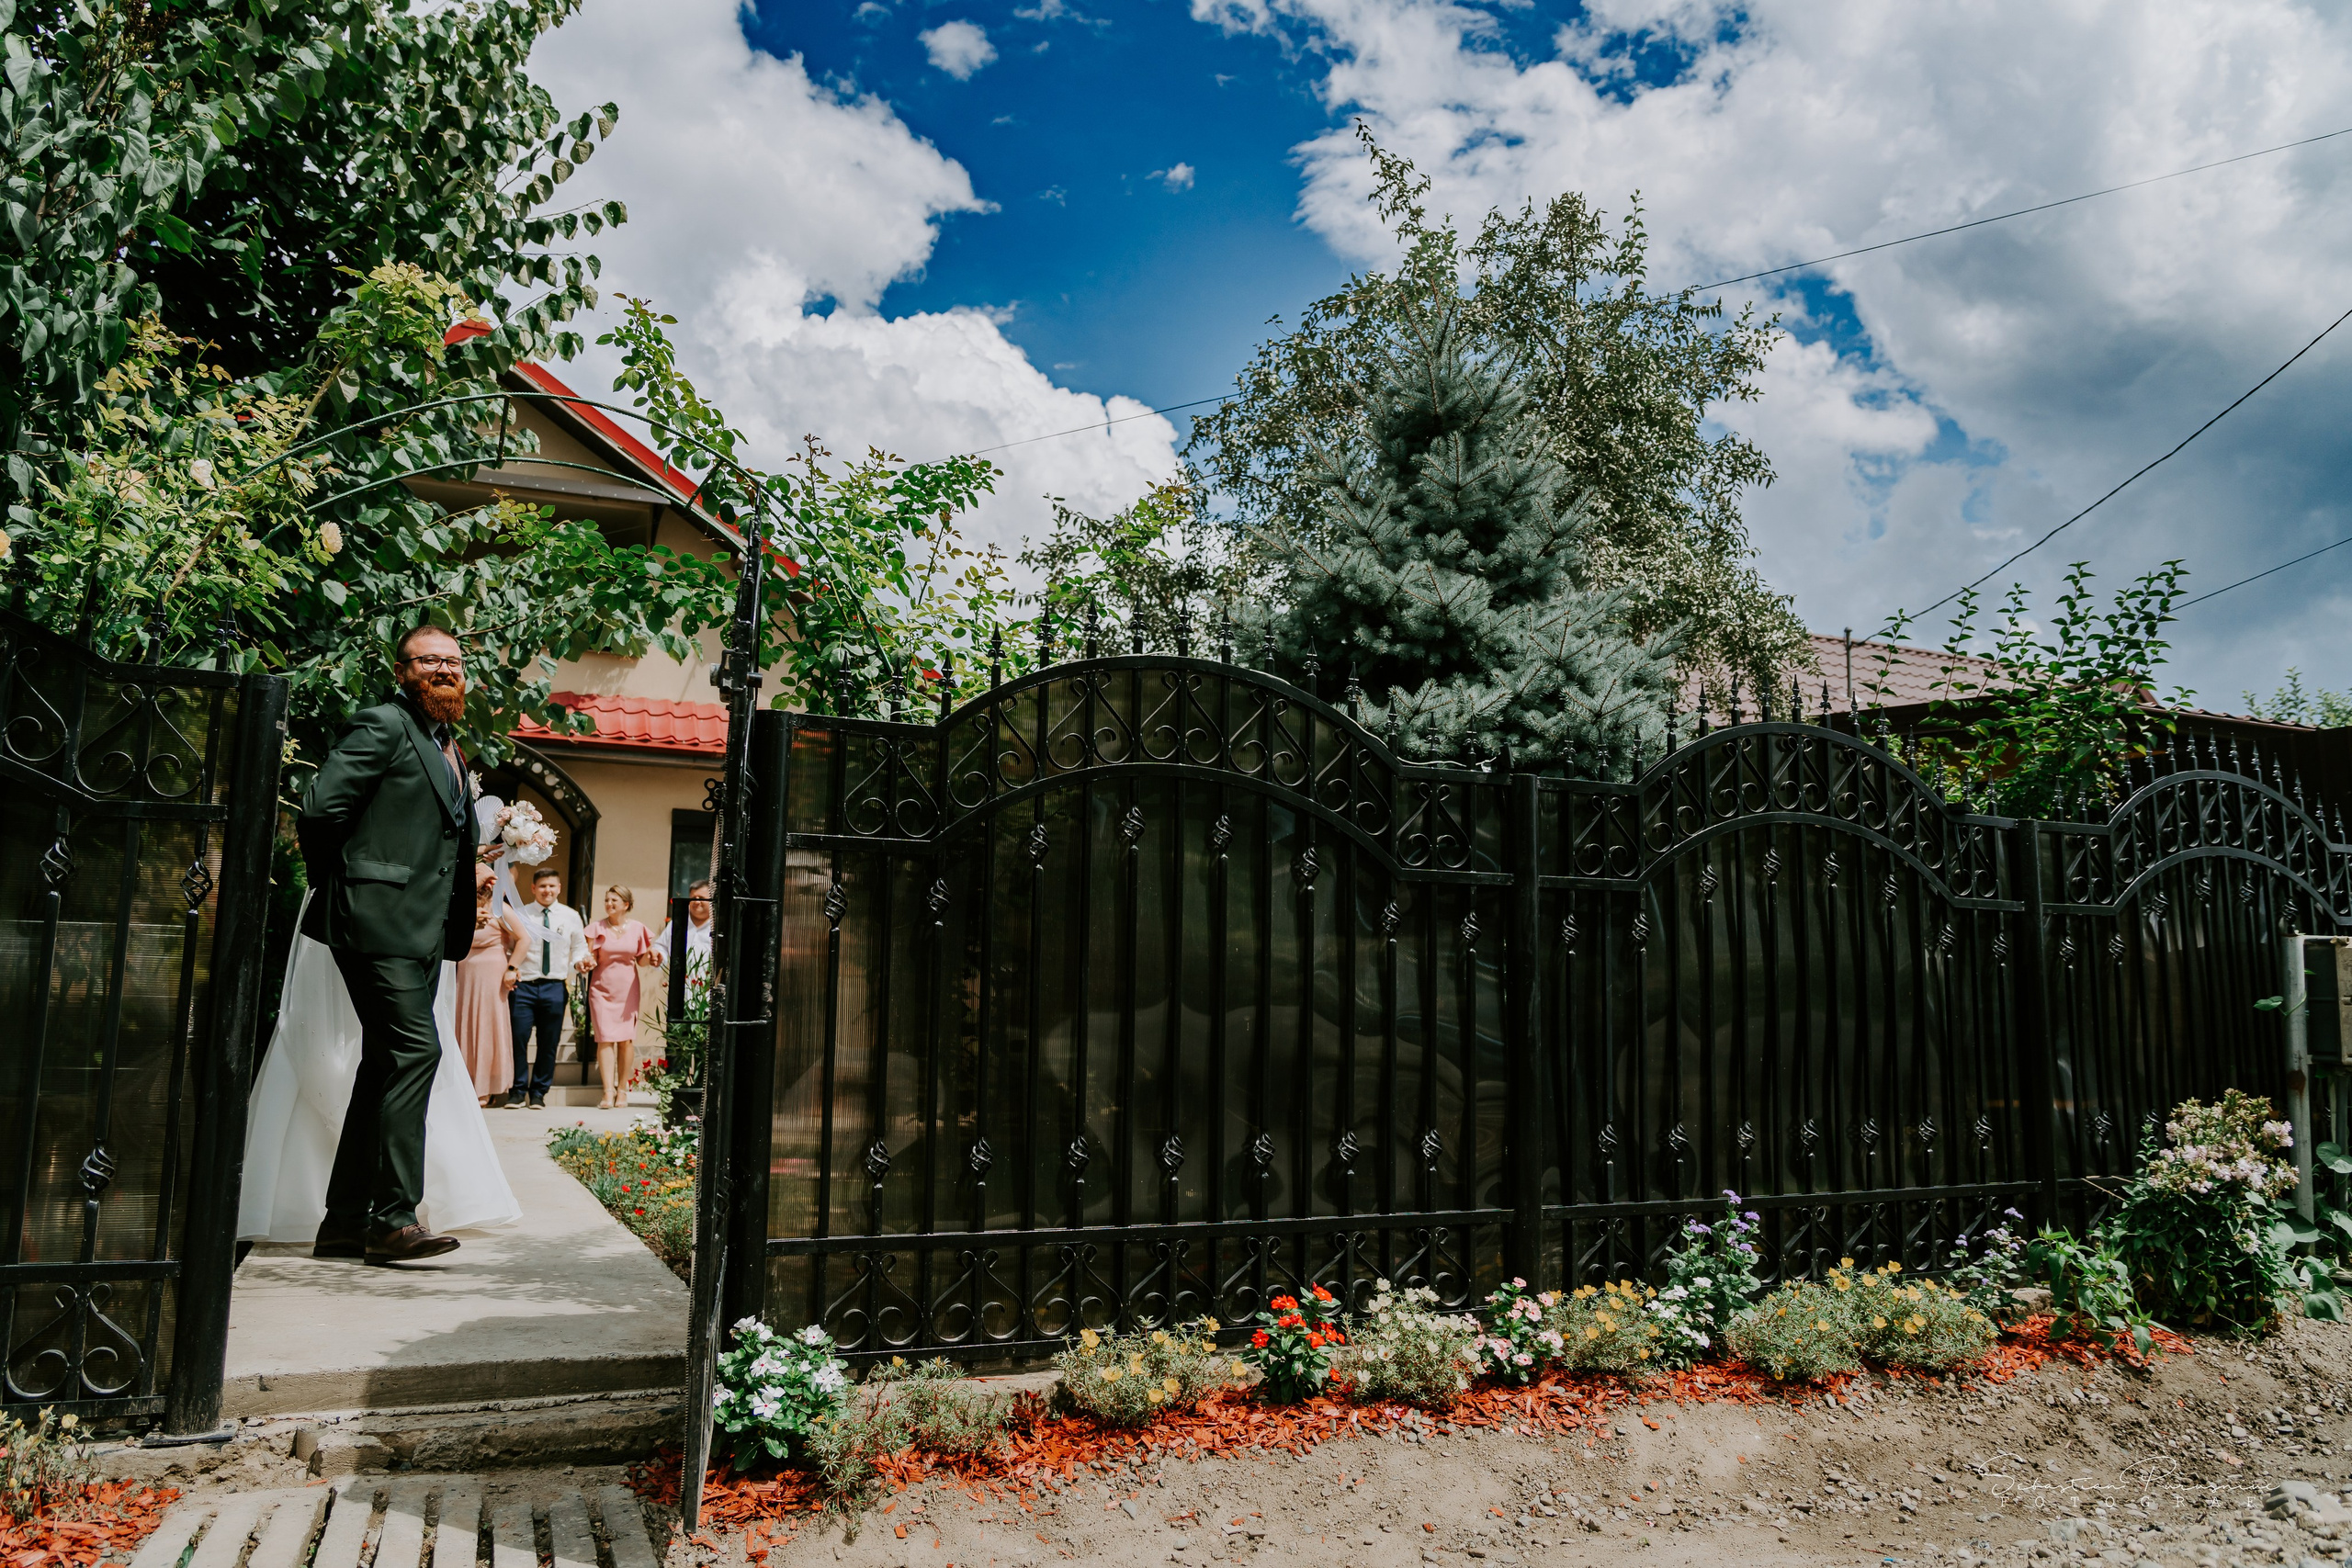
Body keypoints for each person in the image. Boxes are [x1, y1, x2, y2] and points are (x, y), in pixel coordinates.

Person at [293, 623, 495, 1264]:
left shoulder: (448, 744)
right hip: (376, 923)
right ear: (402, 669)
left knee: (384, 1064)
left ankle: (346, 1220)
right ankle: (392, 1220)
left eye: (454, 661)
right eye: (429, 659)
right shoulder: (382, 724)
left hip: (424, 933)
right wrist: (354, 883)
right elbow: (321, 809)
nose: (445, 669)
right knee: (416, 1051)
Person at [504, 866, 589, 1108]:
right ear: (533, 888)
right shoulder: (520, 914)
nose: (547, 890)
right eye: (542, 886)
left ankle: (539, 1093)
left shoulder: (571, 916)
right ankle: (517, 1091)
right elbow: (510, 945)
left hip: (554, 986)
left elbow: (579, 948)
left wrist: (581, 961)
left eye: (552, 885)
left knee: (548, 1042)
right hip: (524, 986)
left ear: (559, 888)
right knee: (518, 1038)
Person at [586, 885, 658, 1110]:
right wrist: (585, 961)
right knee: (605, 1038)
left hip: (628, 989)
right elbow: (591, 958)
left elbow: (642, 961)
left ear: (626, 905)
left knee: (626, 1041)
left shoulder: (638, 929)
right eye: (607, 900)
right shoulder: (596, 928)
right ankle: (608, 1091)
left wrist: (652, 956)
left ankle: (623, 1090)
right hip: (601, 989)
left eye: (614, 901)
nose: (609, 904)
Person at [452, 861, 517, 1105]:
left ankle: (485, 1087)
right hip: (465, 973)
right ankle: (465, 1083)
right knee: (464, 1024)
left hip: (492, 974)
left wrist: (512, 968)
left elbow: (524, 938)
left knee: (487, 1026)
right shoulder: (462, 908)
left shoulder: (499, 909)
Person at [654, 880, 715, 969]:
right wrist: (659, 956)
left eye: (701, 898)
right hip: (680, 982)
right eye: (693, 898)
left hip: (707, 982)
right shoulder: (677, 923)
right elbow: (661, 946)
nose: (697, 902)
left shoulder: (716, 927)